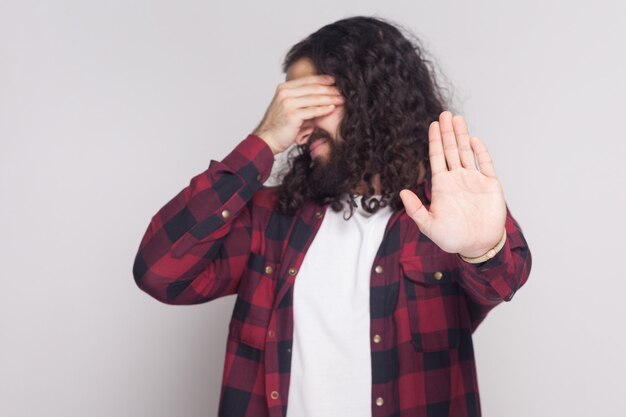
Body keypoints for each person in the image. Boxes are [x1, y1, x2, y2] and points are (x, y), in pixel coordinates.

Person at [132, 15, 532, 417]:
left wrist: (483, 248)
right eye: (289, 107)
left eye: (312, 101)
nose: (300, 124)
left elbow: (502, 280)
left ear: (371, 97)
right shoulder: (270, 218)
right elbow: (159, 272)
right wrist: (264, 140)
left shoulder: (445, 210)